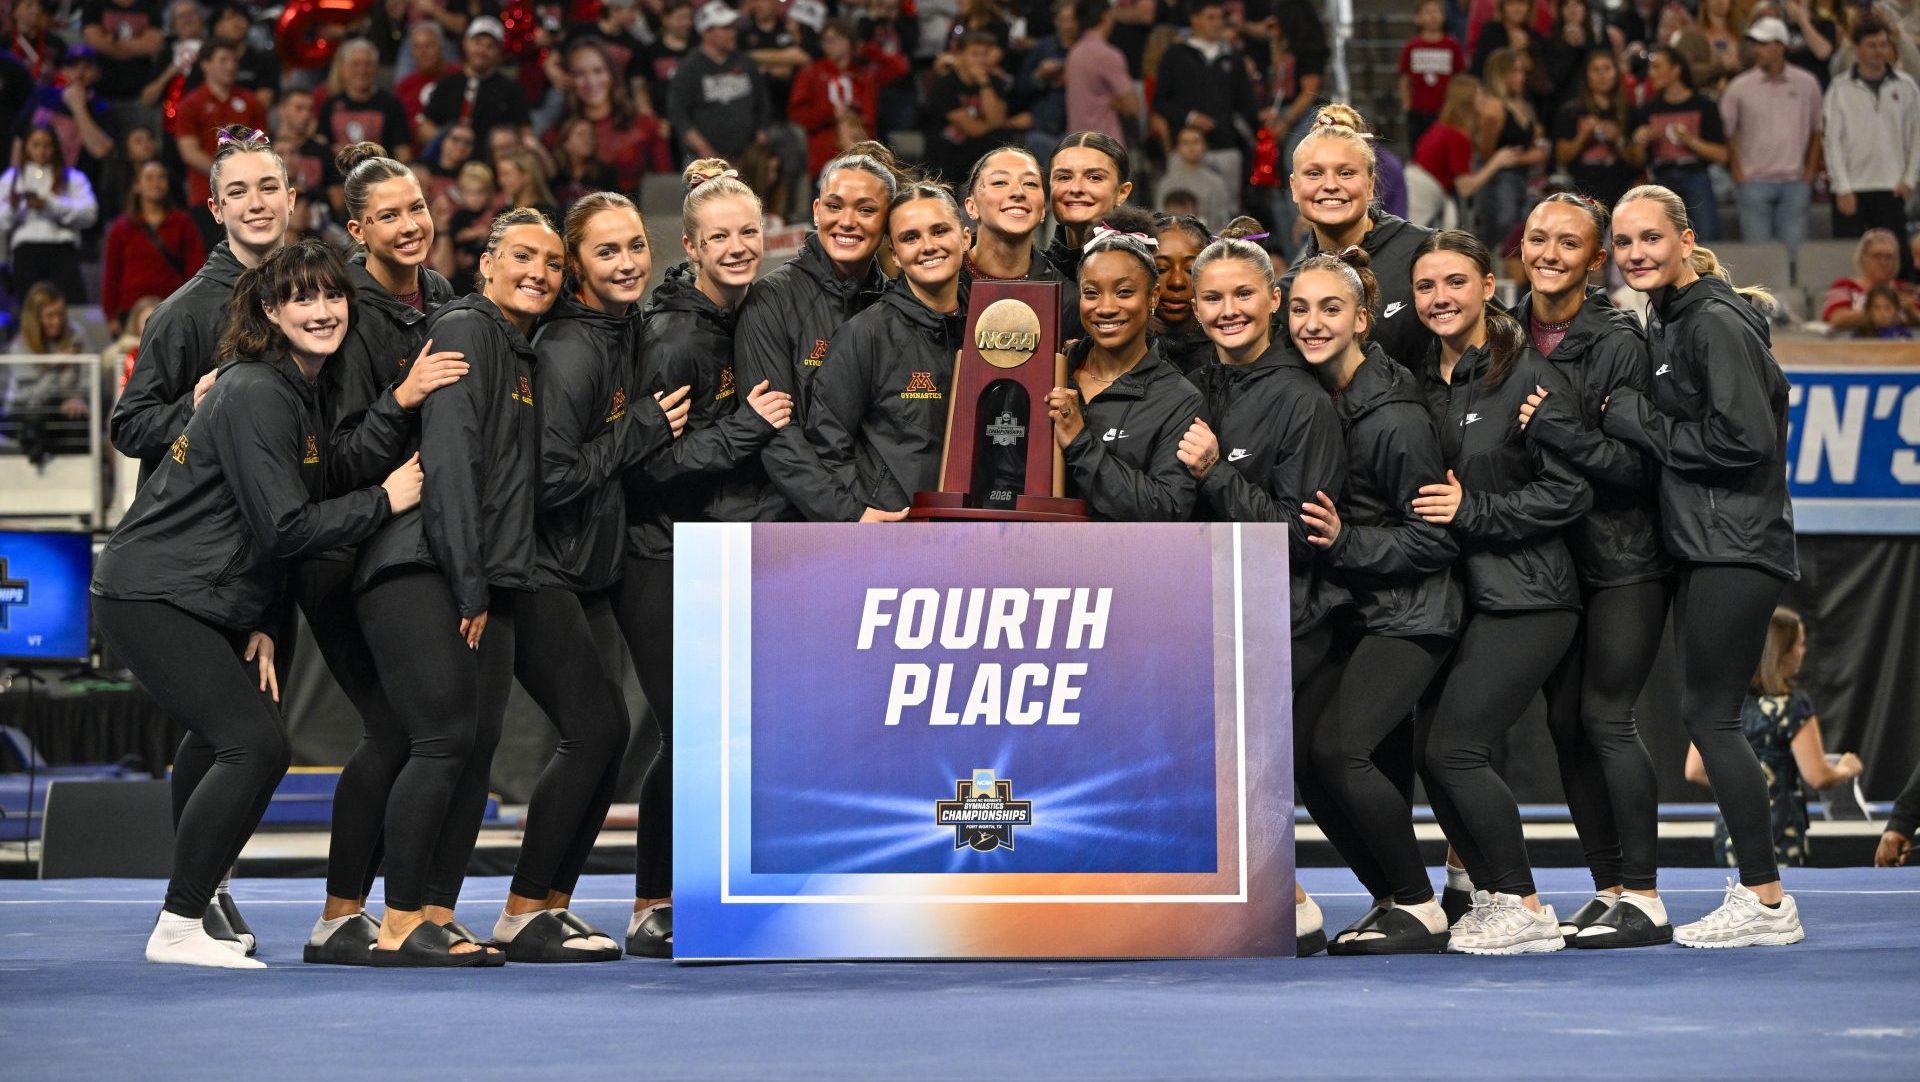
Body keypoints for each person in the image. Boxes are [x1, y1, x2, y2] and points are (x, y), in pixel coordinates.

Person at [91, 240, 422, 968]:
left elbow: (301, 488)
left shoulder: (294, 388)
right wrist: (385, 499)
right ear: (270, 312)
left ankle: (200, 907)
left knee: (224, 740)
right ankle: (178, 922)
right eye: (303, 299)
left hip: (201, 593)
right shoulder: (257, 391)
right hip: (152, 592)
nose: (323, 311)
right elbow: (287, 525)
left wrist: (262, 624)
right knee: (257, 744)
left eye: (333, 296)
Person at [351, 207, 561, 966]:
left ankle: (437, 909)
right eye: (523, 256)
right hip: (426, 567)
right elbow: (449, 465)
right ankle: (399, 921)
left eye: (553, 263)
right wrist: (469, 586)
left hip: (486, 573)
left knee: (475, 749)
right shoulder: (469, 329)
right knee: (440, 742)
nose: (539, 271)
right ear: (487, 265)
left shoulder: (520, 349)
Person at [1601, 183, 1805, 948]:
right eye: (1624, 244)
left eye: (1651, 239)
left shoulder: (1713, 320)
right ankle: (1764, 895)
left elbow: (1745, 439)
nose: (1636, 254)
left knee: (1710, 717)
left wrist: (1639, 422)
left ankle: (1767, 900)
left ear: (1686, 240)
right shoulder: (1675, 316)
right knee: (1707, 715)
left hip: (1736, 543)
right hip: (1714, 542)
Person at [494, 193, 688, 963]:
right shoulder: (573, 348)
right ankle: (520, 908)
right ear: (575, 265)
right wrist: (638, 430)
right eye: (607, 252)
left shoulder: (621, 330)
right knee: (597, 730)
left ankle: (550, 904)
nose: (629, 262)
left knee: (604, 738)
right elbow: (552, 478)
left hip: (583, 569)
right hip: (541, 569)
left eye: (637, 245)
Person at [300, 142, 468, 966]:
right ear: (358, 228)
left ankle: (343, 918)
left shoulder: (440, 294)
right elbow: (330, 455)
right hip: (344, 554)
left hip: (409, 547)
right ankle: (359, 917)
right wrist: (403, 397)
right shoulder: (345, 310)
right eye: (390, 216)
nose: (411, 226)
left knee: (397, 734)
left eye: (418, 209)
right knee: (402, 732)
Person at [1170, 223, 1353, 957]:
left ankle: (1295, 902)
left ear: (1273, 300)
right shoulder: (1195, 381)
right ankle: (1273, 901)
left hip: (1288, 618)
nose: (1227, 310)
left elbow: (1300, 533)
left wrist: (1217, 472)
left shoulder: (1301, 401)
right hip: (1214, 614)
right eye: (1212, 298)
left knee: (1260, 773)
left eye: (1243, 294)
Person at [1407, 228, 1590, 955]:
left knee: (1454, 750)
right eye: (1425, 286)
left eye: (1455, 282)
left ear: (1488, 286)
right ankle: (1491, 896)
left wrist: (1473, 512)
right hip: (1467, 600)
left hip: (1531, 598)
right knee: (1434, 752)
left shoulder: (1525, 376)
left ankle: (1525, 904)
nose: (1439, 297)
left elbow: (1571, 491)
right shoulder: (1429, 381)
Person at [626, 161, 792, 955]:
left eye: (748, 233)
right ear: (689, 246)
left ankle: (702, 889)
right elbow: (653, 464)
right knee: (686, 732)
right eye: (719, 236)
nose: (737, 247)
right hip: (661, 553)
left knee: (713, 731)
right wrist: (751, 426)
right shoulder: (676, 336)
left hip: (717, 549)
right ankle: (651, 902)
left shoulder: (748, 313)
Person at [1285, 248, 1462, 954]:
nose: (1312, 322)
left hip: (1414, 614)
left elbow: (1436, 541)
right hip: (1360, 613)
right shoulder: (1314, 393)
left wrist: (1345, 542)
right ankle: (1392, 898)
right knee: (1306, 754)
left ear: (1362, 318)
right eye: (1299, 308)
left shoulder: (1393, 418)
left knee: (1340, 750)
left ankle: (1420, 905)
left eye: (1330, 309)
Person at [1511, 193, 1672, 948]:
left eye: (1567, 243)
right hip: (1550, 563)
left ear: (1595, 259)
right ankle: (1608, 889)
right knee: (1565, 725)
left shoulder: (1617, 338)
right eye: (1538, 237)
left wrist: (1553, 426)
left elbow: (1635, 466)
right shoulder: (1505, 328)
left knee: (1607, 719)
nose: (1548, 252)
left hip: (1623, 559)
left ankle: (1645, 894)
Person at [113, 126, 293, 489]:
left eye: (268, 187)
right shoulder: (181, 313)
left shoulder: (318, 300)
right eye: (238, 192)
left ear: (290, 199)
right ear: (216, 209)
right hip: (209, 532)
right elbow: (129, 427)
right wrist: (194, 408)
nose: (256, 203)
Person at [736, 143, 896, 523]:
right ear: (816, 211)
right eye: (835, 206)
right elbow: (775, 434)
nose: (847, 221)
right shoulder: (770, 300)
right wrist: (848, 515)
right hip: (789, 521)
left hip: (880, 514)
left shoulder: (895, 304)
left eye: (867, 209)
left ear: (889, 221)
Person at [802, 178, 967, 520]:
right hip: (897, 529)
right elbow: (827, 440)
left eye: (940, 231)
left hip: (978, 526)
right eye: (910, 237)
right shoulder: (865, 333)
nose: (928, 246)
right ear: (894, 253)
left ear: (965, 237)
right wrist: (863, 509)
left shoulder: (992, 325)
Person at [1045, 204, 1205, 522]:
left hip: (1124, 566)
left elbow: (1167, 508)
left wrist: (1080, 442)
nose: (1105, 307)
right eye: (1092, 292)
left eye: (1124, 292)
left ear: (1153, 297)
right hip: (1040, 561)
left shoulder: (1178, 398)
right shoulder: (1051, 372)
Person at [1685, 607, 1864, 869]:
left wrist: (1742, 787)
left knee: (1740, 901)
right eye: (1800, 644)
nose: (1803, 652)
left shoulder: (1725, 703)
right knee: (1775, 904)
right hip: (1779, 834)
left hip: (1732, 830)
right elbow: (1818, 776)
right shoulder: (1793, 706)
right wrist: (1846, 769)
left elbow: (1694, 770)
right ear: (1783, 652)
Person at [1282, 103, 1437, 380]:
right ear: (1294, 187)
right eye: (1314, 173)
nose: (1330, 185)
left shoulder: (1427, 252)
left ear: (1370, 184)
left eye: (1346, 173)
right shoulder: (1290, 290)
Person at [1822, 13, 1920, 282]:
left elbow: (1916, 138)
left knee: (1896, 262)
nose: (1879, 51)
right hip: (1852, 189)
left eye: (1883, 45)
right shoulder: (1839, 89)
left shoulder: (1907, 86)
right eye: (1872, 45)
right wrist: (1842, 187)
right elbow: (1832, 143)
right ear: (1857, 48)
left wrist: (1909, 180)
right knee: (1848, 260)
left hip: (1892, 187)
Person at [1721, 17, 1823, 272]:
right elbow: (1727, 135)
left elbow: (1817, 132)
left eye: (1764, 43)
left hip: (1795, 182)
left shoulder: (1807, 83)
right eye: (1755, 43)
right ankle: (1758, 310)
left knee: (1795, 257)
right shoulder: (1738, 87)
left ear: (1781, 46)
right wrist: (1739, 175)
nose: (1757, 49)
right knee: (1758, 258)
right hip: (1753, 183)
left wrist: (1809, 174)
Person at [169, 37, 268, 244]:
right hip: (207, 196)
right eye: (223, 60)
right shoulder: (191, 104)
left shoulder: (250, 101)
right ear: (205, 64)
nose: (230, 66)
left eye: (233, 61)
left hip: (248, 197)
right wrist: (228, 173)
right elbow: (189, 152)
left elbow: (262, 146)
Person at [1152, 1, 1255, 199]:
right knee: (1182, 215)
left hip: (1226, 149)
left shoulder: (1233, 58)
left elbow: (1246, 104)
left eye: (1220, 18)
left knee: (1227, 214)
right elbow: (1160, 101)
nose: (1217, 23)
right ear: (1195, 19)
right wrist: (1189, 118)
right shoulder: (1175, 56)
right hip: (1184, 150)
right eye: (1210, 17)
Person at [1627, 46, 1728, 242]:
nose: (1651, 73)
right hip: (1661, 178)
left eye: (1657, 67)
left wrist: (1690, 141)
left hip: (1696, 175)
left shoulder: (1704, 105)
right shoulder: (1648, 109)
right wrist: (1640, 141)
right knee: (1662, 239)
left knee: (1708, 237)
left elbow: (1722, 154)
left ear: (1676, 70)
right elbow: (1637, 161)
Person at [787, 19, 908, 179]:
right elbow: (797, 114)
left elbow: (900, 67)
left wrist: (866, 49)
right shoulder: (812, 73)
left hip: (864, 156)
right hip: (825, 157)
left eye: (834, 39)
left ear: (849, 42)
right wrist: (830, 113)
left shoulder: (866, 74)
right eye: (825, 40)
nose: (828, 45)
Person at [1041, 131, 1133, 338]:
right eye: (1064, 177)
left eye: (1094, 177)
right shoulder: (1034, 269)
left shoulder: (1148, 266)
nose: (1076, 188)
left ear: (1122, 192)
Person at [0, 124, 98, 302]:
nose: (41, 151)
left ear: (55, 147)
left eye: (47, 145)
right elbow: (1, 222)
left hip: (62, 249)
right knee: (30, 307)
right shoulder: (12, 178)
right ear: (26, 147)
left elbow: (89, 215)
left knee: (71, 304)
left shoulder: (73, 177)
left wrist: (50, 205)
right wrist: (14, 208)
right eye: (35, 145)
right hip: (26, 250)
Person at [668, 3, 773, 166]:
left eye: (733, 28)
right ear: (706, 32)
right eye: (725, 28)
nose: (733, 33)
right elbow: (679, 115)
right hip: (703, 160)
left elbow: (762, 102)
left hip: (747, 157)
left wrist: (762, 132)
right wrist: (704, 149)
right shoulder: (689, 68)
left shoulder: (746, 63)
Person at [558, 39, 668, 195]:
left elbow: (666, 186)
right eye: (579, 74)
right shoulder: (557, 133)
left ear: (612, 74)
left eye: (598, 71)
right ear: (569, 79)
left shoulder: (645, 126)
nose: (591, 82)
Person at [926, 31, 1028, 186]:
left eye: (985, 54)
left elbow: (996, 122)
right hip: (948, 152)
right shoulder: (945, 85)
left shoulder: (993, 83)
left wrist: (984, 83)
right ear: (960, 56)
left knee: (1002, 138)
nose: (981, 60)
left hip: (980, 150)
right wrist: (1007, 123)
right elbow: (972, 128)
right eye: (975, 54)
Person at [418, 17, 534, 149]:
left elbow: (526, 133)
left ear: (499, 52)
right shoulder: (447, 84)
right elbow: (424, 128)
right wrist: (451, 144)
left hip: (492, 162)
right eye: (478, 43)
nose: (482, 51)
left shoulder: (511, 90)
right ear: (466, 43)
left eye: (490, 46)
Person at [1473, 48, 1545, 257]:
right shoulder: (1493, 107)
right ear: (1501, 74)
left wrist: (1533, 153)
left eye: (1522, 71)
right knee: (1504, 228)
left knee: (1519, 227)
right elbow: (1486, 153)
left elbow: (1537, 140)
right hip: (1498, 180)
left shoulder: (1520, 104)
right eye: (1515, 71)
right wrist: (1527, 157)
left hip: (1521, 177)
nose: (1521, 77)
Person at [1550, 49, 1641, 213]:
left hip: (1621, 193)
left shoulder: (1630, 112)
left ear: (1616, 73)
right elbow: (1561, 158)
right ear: (1586, 76)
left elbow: (1638, 161)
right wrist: (1583, 136)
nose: (1602, 75)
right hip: (1582, 193)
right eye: (1596, 70)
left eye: (1607, 69)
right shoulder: (1571, 111)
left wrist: (1618, 140)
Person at [963, 144, 1065, 284]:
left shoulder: (1065, 295)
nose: (1018, 192)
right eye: (1000, 182)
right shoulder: (941, 282)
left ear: (1042, 209)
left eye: (1030, 183)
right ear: (972, 207)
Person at [319, 38, 413, 162]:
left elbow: (403, 152)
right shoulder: (330, 104)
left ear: (376, 68)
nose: (362, 70)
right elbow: (320, 145)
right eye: (355, 64)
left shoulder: (391, 104)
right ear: (343, 68)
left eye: (368, 64)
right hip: (337, 178)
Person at [1064, 0, 1138, 147]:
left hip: (1076, 143)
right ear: (1105, 16)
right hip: (1104, 146)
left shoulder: (1074, 52)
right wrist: (1117, 102)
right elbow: (1132, 107)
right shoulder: (1107, 55)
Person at [1149, 212, 1211, 379]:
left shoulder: (1225, 352)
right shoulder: (1121, 349)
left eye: (1191, 270)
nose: (1177, 281)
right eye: (1160, 269)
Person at [1820, 228, 1920, 331]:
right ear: (1863, 258)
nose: (1883, 262)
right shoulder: (1844, 285)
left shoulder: (1905, 289)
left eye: (1889, 257)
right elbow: (1837, 318)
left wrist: (1911, 311)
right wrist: (1880, 313)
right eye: (1877, 256)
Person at [1400, 0, 1467, 152]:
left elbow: (1460, 77)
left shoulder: (1452, 45)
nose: (1433, 16)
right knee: (1420, 149)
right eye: (1427, 12)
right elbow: (1405, 78)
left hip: (1446, 111)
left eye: (1437, 12)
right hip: (1419, 112)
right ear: (1418, 18)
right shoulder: (1412, 46)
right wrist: (1407, 105)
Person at [1155, 127, 1235, 235]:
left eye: (1196, 141)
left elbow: (1222, 221)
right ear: (1177, 148)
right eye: (1185, 143)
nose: (1191, 147)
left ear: (1205, 146)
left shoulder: (1216, 182)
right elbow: (1159, 219)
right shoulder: (1166, 183)